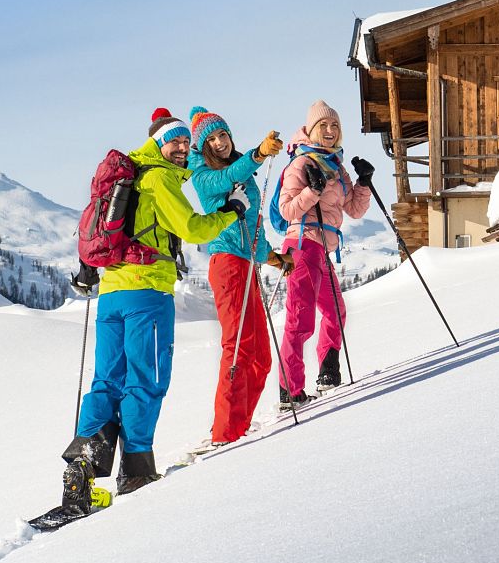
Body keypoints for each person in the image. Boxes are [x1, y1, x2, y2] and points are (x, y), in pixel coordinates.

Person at [59, 108, 248, 510]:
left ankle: (81, 472)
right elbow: (192, 228)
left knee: (107, 382)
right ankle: (137, 471)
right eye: (174, 141)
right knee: (146, 379)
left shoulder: (129, 177)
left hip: (111, 293)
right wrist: (233, 210)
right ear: (159, 143)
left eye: (185, 142)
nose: (181, 148)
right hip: (147, 293)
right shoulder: (159, 177)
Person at [188, 106, 292, 447]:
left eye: (222, 135)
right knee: (237, 349)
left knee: (260, 356)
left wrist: (275, 259)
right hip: (227, 265)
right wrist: (259, 154)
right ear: (203, 147)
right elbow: (224, 178)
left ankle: (238, 427)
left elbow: (252, 228)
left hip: (247, 264)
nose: (219, 142)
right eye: (211, 139)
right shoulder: (203, 174)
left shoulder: (242, 175)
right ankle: (225, 434)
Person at [276, 100, 373, 410]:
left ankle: (328, 373)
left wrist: (364, 183)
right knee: (300, 321)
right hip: (302, 247)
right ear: (312, 129)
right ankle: (289, 390)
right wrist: (312, 191)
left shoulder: (336, 165)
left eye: (335, 126)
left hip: (322, 250)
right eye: (324, 126)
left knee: (336, 312)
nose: (330, 131)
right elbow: (287, 210)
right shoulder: (300, 164)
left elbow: (355, 210)